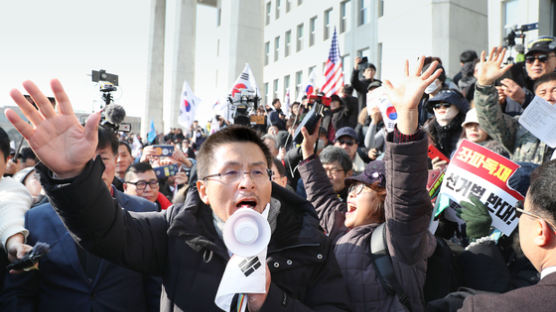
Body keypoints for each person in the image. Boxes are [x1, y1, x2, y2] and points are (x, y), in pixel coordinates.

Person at [4, 79, 352, 311]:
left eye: (257, 171)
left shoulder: (308, 241)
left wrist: (272, 301)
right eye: (230, 172)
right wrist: (72, 176)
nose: (246, 182)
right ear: (202, 189)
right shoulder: (175, 232)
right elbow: (104, 232)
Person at [298, 57, 440, 311]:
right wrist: (308, 155)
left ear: (382, 197)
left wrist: (407, 117)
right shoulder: (341, 224)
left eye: (360, 189)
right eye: (350, 189)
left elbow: (405, 193)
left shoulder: (400, 237)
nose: (349, 195)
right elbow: (320, 197)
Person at [1, 126, 161, 311]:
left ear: (116, 160)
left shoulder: (144, 211)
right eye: (83, 158)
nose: (93, 168)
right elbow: (20, 293)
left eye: (102, 158)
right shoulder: (35, 218)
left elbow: (156, 286)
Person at [459, 159, 556, 312]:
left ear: (540, 230)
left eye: (521, 210)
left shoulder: (480, 308)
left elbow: (514, 300)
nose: (519, 219)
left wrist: (480, 241)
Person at [474, 47, 555, 164]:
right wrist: (484, 85)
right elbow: (490, 119)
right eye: (542, 93)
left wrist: (525, 100)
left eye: (555, 91)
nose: (548, 97)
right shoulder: (521, 125)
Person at [424, 88, 470, 169]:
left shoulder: (469, 128)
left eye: (446, 104)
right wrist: (434, 170)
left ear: (458, 106)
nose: (441, 108)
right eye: (437, 106)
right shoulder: (427, 130)